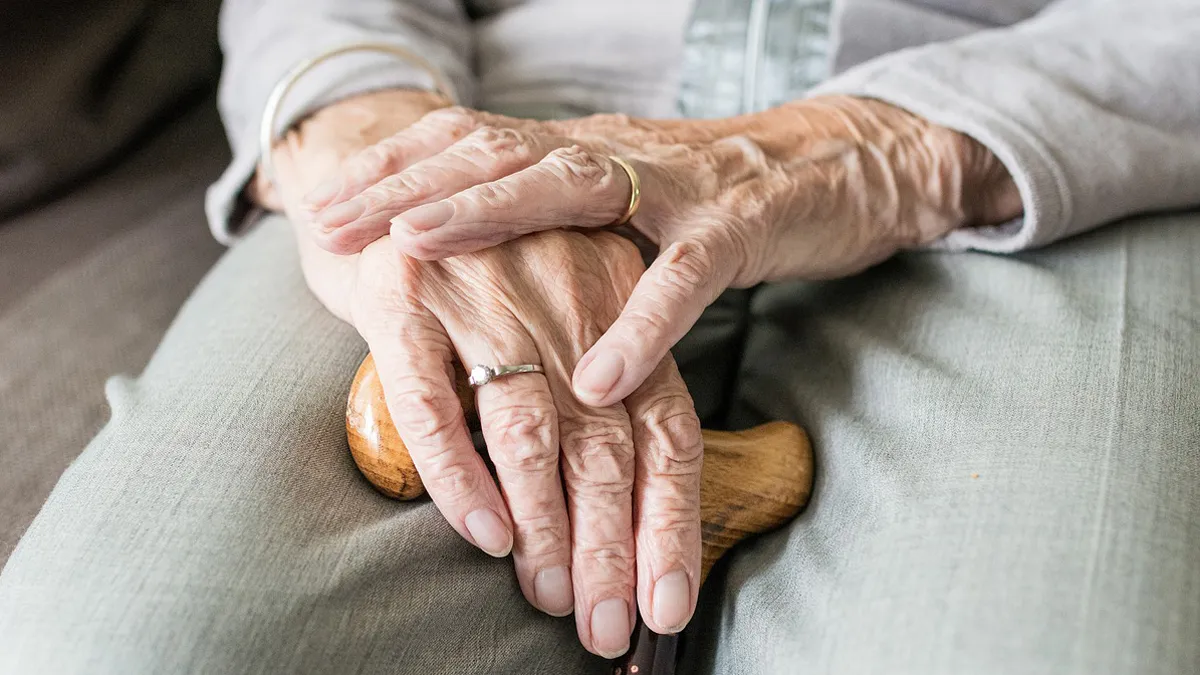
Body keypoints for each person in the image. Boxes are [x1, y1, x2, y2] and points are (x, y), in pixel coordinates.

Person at [1, 0, 1198, 673]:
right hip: (486, 128)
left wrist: (891, 148)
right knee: (126, 646)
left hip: (1021, 147)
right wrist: (372, 127)